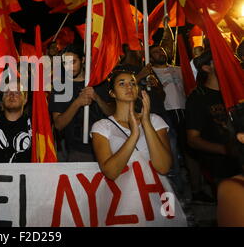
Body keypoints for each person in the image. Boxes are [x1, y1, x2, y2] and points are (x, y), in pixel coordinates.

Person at [91, 70, 172, 180]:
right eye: (122, 83)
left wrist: (146, 123)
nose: (129, 87)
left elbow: (164, 167)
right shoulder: (102, 127)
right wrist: (134, 135)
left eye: (133, 83)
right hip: (124, 194)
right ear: (112, 93)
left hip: (154, 193)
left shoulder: (154, 120)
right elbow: (111, 173)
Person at [185, 50, 241, 199]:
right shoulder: (197, 98)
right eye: (220, 60)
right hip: (221, 167)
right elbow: (193, 139)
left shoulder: (235, 92)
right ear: (206, 68)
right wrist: (226, 150)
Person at [49, 44, 114, 162]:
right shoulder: (59, 88)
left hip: (107, 146)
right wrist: (77, 103)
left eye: (73, 62)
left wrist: (97, 98)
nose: (69, 67)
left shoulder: (99, 82)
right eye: (65, 63)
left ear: (82, 60)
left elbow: (113, 114)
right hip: (77, 151)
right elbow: (58, 125)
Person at [150, 45, 186, 194]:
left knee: (186, 148)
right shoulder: (151, 72)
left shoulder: (178, 69)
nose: (161, 52)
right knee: (172, 148)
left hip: (184, 110)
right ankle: (176, 188)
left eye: (162, 49)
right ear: (151, 57)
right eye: (156, 52)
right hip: (167, 112)